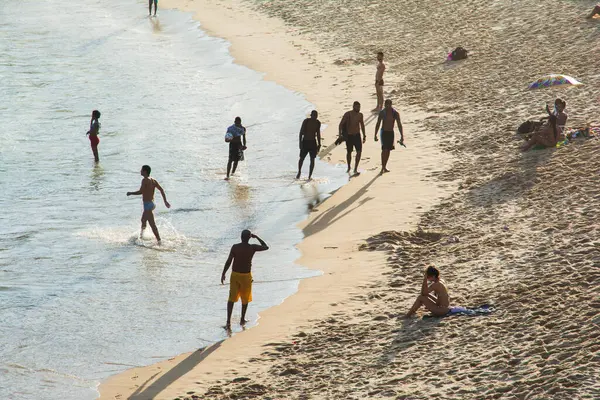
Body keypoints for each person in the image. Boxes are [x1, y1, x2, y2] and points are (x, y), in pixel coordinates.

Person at [221, 230, 269, 329]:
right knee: (245, 298)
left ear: (241, 237)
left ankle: (228, 322)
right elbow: (265, 246)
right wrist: (257, 237)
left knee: (231, 299)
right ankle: (242, 319)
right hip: (246, 276)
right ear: (249, 237)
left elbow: (229, 261)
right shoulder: (252, 247)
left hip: (235, 275)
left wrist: (223, 273)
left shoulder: (235, 247)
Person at [126, 165, 171, 243]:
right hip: (151, 204)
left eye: (141, 170)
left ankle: (159, 241)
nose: (140, 171)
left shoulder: (145, 180)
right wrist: (165, 201)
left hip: (147, 205)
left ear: (145, 171)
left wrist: (131, 193)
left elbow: (141, 192)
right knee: (143, 220)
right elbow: (161, 190)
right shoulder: (153, 180)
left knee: (152, 224)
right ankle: (141, 237)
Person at [374, 99, 404, 174]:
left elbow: (399, 124)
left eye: (389, 105)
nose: (387, 106)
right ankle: (382, 167)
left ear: (391, 105)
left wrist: (402, 135)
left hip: (391, 133)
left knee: (388, 150)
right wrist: (375, 134)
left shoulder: (395, 113)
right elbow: (378, 123)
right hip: (383, 132)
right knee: (384, 150)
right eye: (386, 105)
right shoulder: (382, 113)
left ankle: (385, 166)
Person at [339, 101, 366, 175]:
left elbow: (362, 125)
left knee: (359, 152)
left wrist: (364, 135)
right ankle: (348, 167)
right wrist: (340, 135)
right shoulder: (348, 114)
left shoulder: (360, 115)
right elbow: (340, 124)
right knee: (349, 152)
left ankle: (355, 168)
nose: (358, 108)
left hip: (357, 135)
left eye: (359, 107)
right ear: (353, 106)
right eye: (357, 107)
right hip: (349, 136)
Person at [296, 110, 322, 180]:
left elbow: (318, 134)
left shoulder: (318, 123)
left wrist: (319, 144)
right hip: (305, 142)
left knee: (312, 159)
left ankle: (310, 176)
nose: (315, 117)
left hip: (313, 142)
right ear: (311, 115)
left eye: (316, 116)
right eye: (313, 115)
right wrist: (300, 143)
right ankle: (299, 171)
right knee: (302, 158)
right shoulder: (306, 121)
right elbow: (301, 132)